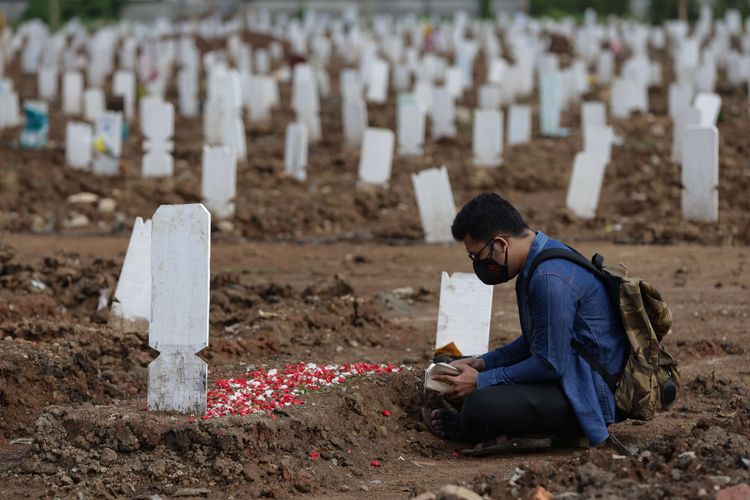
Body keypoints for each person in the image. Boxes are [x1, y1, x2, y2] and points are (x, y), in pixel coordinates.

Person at [423, 192, 627, 455]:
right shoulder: (540, 260)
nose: (478, 265)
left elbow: (549, 362)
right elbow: (538, 340)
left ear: (500, 244)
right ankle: (514, 427)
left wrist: (483, 381)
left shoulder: (549, 277)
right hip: (567, 375)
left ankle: (500, 428)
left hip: (588, 392)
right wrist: (482, 363)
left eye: (477, 257)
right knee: (457, 375)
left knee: (479, 406)